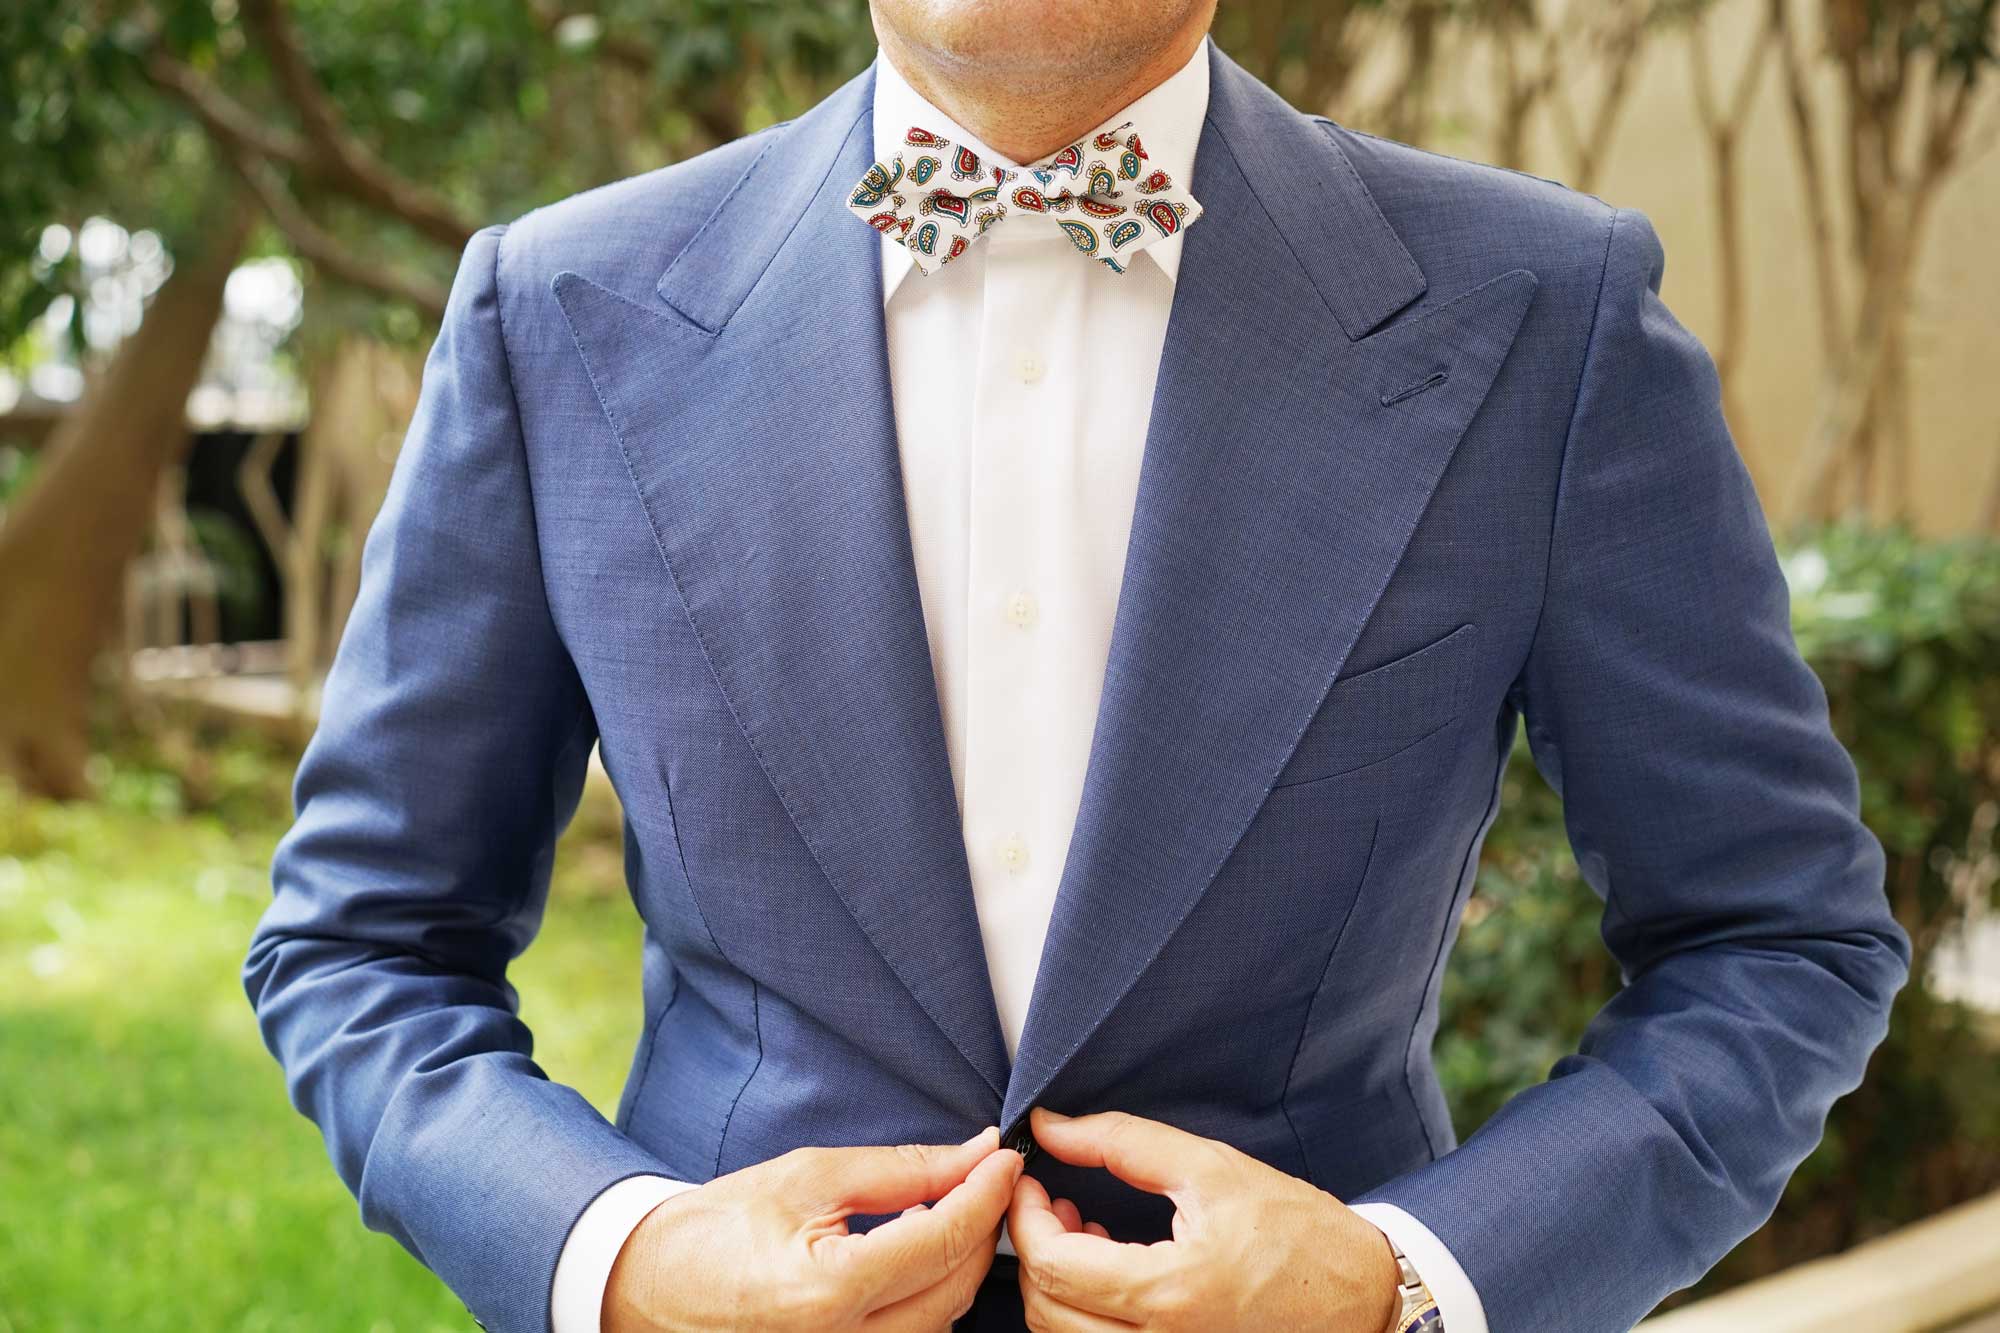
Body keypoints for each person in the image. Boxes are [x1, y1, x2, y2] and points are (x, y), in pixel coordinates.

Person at [243, 0, 1912, 1329]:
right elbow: (364, 942)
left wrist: (1401, 1281)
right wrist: (620, 1259)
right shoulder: (557, 313)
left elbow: (1774, 939)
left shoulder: (1545, 315)